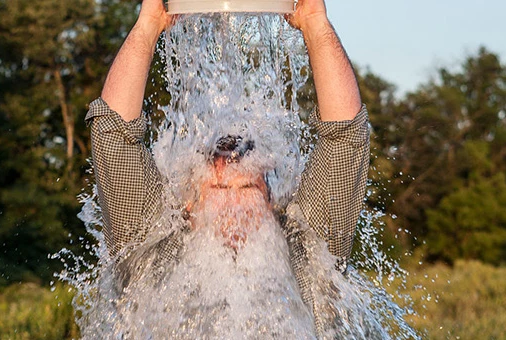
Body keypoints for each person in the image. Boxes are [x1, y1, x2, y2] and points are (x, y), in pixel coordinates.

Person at [86, 0, 369, 335]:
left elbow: (345, 137)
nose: (234, 206)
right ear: (188, 204)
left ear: (270, 199)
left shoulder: (309, 253)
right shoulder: (149, 255)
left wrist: (316, 25)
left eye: (248, 189)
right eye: (219, 190)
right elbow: (113, 135)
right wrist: (147, 25)